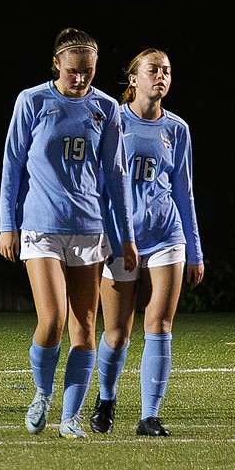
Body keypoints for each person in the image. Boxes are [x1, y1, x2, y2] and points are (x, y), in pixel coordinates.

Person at [0, 28, 138, 439]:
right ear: (57, 65)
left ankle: (71, 419)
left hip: (90, 230)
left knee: (84, 328)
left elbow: (116, 175)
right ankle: (42, 393)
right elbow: (12, 165)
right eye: (74, 71)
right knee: (53, 319)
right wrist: (8, 224)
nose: (81, 79)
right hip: (41, 227)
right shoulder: (33, 101)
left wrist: (125, 236)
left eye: (89, 72)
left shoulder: (106, 108)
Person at [92, 49, 203, 437]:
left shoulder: (178, 129)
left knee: (159, 323)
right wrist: (108, 234)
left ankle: (149, 416)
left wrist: (195, 249)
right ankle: (106, 399)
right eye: (153, 70)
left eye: (167, 71)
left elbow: (185, 193)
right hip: (123, 240)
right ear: (133, 78)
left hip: (166, 236)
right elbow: (100, 185)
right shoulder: (112, 120)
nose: (161, 76)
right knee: (118, 331)